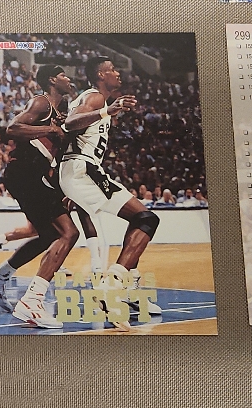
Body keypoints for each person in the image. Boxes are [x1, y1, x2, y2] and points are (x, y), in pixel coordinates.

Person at [58, 57, 162, 326]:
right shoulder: (94, 97)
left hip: (78, 171)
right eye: (112, 69)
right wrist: (108, 111)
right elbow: (70, 123)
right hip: (83, 169)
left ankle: (124, 288)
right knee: (147, 219)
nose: (118, 73)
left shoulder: (95, 100)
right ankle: (112, 287)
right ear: (101, 75)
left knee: (140, 220)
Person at [0, 64, 79, 329]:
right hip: (23, 171)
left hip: (36, 174)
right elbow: (13, 128)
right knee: (68, 232)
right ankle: (32, 302)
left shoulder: (62, 113)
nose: (68, 78)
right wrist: (48, 130)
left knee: (49, 235)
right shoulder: (41, 103)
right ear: (52, 80)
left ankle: (1, 276)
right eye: (63, 75)